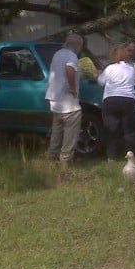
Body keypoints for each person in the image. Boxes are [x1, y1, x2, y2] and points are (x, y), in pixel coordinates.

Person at [45, 33, 84, 170]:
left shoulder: (58, 54)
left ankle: (52, 155)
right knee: (71, 131)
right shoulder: (72, 56)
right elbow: (69, 69)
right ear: (77, 45)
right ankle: (65, 161)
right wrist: (73, 88)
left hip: (55, 99)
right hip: (68, 101)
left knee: (57, 130)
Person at [96, 45, 135, 162]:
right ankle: (130, 154)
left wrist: (98, 74)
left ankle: (112, 156)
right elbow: (133, 82)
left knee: (112, 129)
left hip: (111, 99)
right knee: (128, 129)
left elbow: (100, 82)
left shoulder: (110, 68)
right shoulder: (131, 69)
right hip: (128, 99)